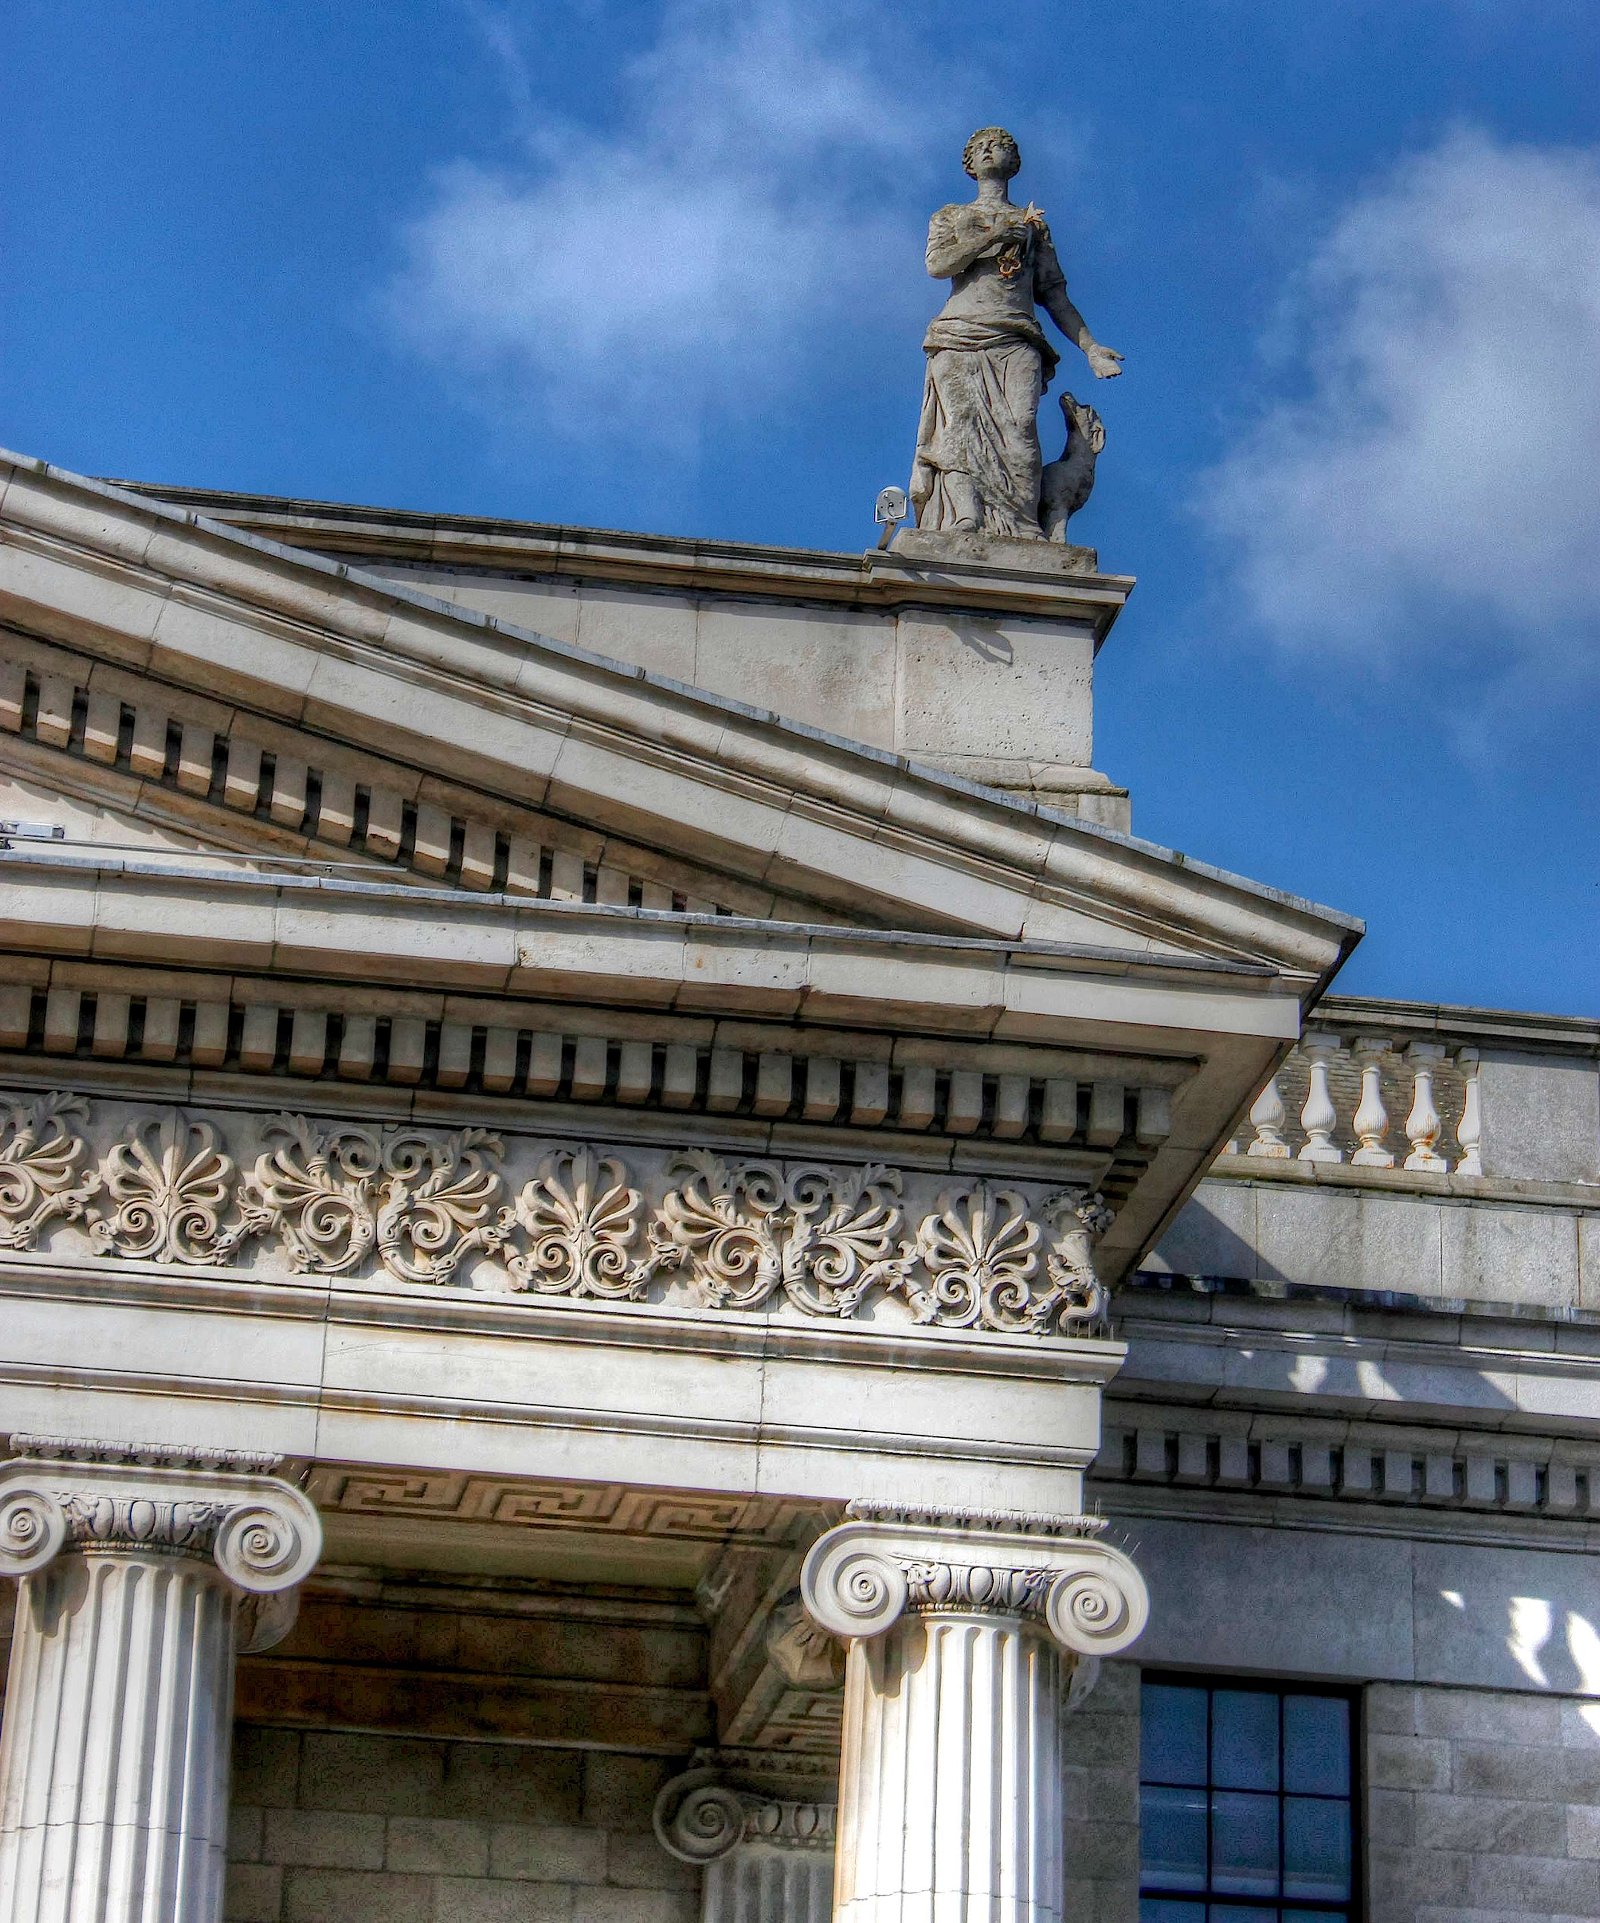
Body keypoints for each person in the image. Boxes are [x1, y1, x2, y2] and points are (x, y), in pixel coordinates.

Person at [909, 127, 1122, 539]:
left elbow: (1054, 294)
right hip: (958, 335)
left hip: (1018, 338)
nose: (991, 151)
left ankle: (1023, 526)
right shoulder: (951, 215)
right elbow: (938, 265)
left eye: (1001, 146)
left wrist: (1091, 348)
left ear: (1015, 161)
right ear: (970, 164)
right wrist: (992, 237)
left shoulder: (1034, 226)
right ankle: (966, 516)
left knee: (1020, 429)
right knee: (961, 426)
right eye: (981, 147)